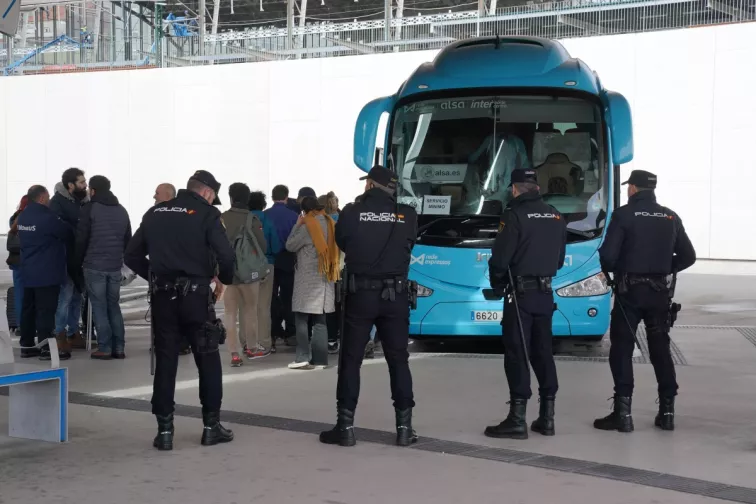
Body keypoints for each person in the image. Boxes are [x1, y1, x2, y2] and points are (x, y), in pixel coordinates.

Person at [125, 170, 236, 451]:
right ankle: (211, 427)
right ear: (208, 193)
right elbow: (226, 255)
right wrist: (224, 278)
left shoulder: (155, 213)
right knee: (207, 358)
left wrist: (153, 275)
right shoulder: (207, 214)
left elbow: (131, 254)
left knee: (165, 361)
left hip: (163, 297)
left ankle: (164, 432)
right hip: (197, 298)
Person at [319, 165, 418, 447]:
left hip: (360, 294)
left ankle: (345, 427)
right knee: (398, 360)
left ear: (371, 185)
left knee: (351, 360)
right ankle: (404, 428)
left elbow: (343, 242)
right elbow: (409, 243)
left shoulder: (352, 212)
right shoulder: (408, 214)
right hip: (395, 296)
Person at [594, 170, 696, 433]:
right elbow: (689, 255)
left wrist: (625, 268)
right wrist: (664, 267)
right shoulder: (670, 216)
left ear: (633, 189)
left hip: (630, 293)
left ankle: (623, 414)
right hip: (660, 293)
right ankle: (668, 412)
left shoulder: (624, 215)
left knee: (622, 349)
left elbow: (607, 256)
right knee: (661, 350)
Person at [483, 169, 566, 440]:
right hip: (545, 294)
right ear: (536, 187)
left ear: (515, 189)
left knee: (517, 353)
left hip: (520, 296)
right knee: (543, 352)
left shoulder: (514, 215)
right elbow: (559, 259)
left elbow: (500, 258)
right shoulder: (554, 215)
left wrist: (497, 284)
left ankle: (517, 419)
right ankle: (547, 418)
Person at [74, 175, 132, 360]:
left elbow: (82, 238)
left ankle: (105, 348)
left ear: (93, 190)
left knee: (99, 307)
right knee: (113, 306)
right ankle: (119, 347)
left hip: (94, 265)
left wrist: (76, 262)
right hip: (115, 266)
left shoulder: (90, 208)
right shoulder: (121, 210)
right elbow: (127, 240)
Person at [17, 185, 73, 361]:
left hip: (28, 271)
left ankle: (26, 346)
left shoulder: (23, 216)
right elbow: (66, 233)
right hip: (47, 272)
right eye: (47, 197)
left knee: (29, 309)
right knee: (46, 312)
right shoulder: (48, 217)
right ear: (41, 198)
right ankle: (45, 348)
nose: (49, 200)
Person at [285, 196, 338, 370]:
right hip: (326, 277)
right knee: (320, 320)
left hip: (307, 279)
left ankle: (302, 357)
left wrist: (297, 224)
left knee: (301, 317)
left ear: (304, 211)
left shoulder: (308, 224)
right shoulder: (330, 222)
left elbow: (290, 245)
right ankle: (321, 360)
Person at [220, 183, 269, 367]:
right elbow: (262, 246)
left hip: (228, 274)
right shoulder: (252, 219)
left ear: (230, 197)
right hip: (249, 274)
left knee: (230, 312)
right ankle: (252, 347)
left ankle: (234, 353)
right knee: (250, 310)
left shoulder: (221, 218)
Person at [49, 167, 88, 351]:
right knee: (64, 297)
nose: (85, 185)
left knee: (76, 297)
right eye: (81, 182)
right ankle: (59, 333)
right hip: (65, 258)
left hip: (80, 257)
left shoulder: (85, 201)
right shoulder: (57, 202)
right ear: (70, 185)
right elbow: (59, 228)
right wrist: (79, 231)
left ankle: (73, 332)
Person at [248, 191, 281, 355]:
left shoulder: (244, 220)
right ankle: (264, 342)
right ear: (263, 204)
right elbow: (275, 246)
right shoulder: (267, 221)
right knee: (263, 306)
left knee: (246, 306)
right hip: (267, 265)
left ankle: (248, 342)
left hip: (246, 267)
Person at [265, 185, 298, 346]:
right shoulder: (294, 216)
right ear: (286, 197)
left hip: (269, 260)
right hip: (288, 259)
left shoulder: (265, 216)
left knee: (270, 296)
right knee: (288, 296)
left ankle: (273, 330)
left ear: (272, 197)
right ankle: (291, 332)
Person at [319, 192, 342, 354]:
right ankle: (337, 336)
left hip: (325, 269)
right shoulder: (342, 220)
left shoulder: (319, 222)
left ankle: (330, 338)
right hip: (341, 267)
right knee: (339, 304)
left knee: (327, 306)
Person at [7, 195, 29, 333]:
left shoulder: (14, 218)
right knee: (33, 295)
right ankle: (32, 325)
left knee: (20, 293)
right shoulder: (32, 218)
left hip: (16, 262)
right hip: (30, 261)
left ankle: (22, 325)